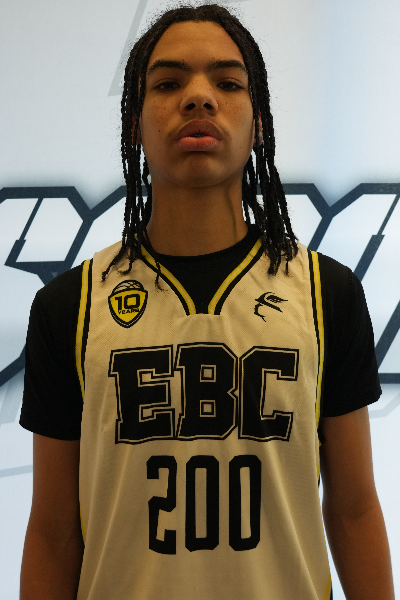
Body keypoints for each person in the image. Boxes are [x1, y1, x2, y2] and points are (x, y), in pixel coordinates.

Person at [19, 4, 395, 599]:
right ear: (135, 123)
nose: (199, 97)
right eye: (169, 84)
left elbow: (352, 510)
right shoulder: (71, 306)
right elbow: (54, 533)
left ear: (259, 122)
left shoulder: (327, 293)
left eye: (228, 82)